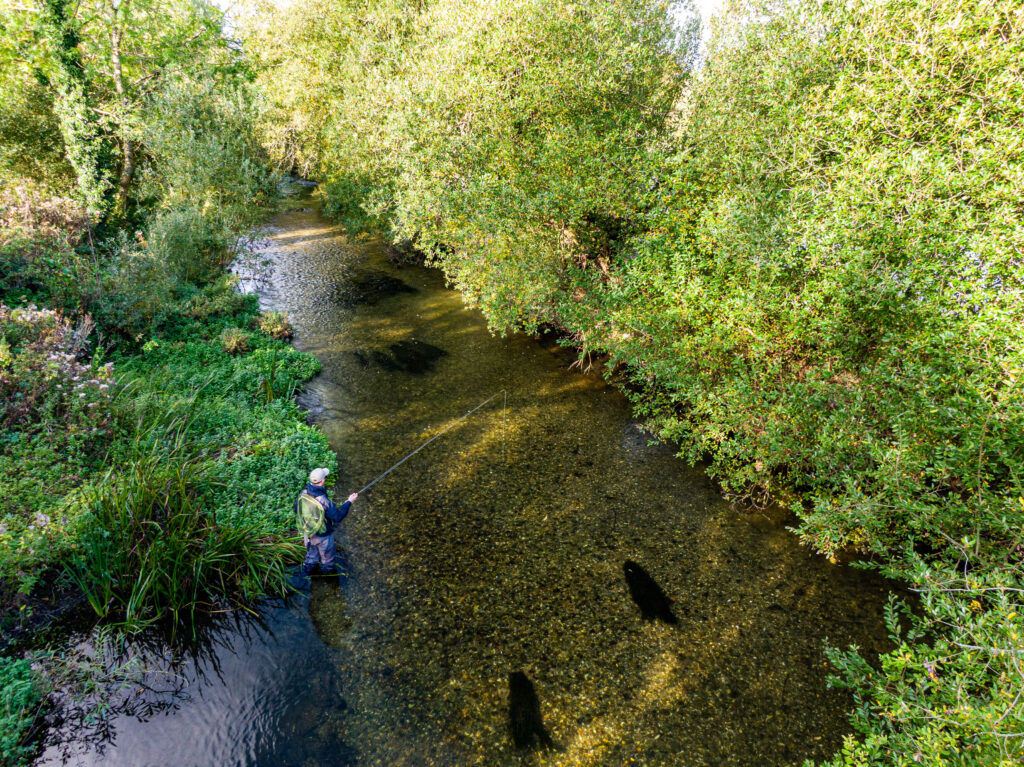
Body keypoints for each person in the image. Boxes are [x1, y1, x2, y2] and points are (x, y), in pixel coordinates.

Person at [295, 467, 358, 576]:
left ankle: (306, 576)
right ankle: (329, 581)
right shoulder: (324, 501)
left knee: (311, 558)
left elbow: (296, 509)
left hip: (308, 534)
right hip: (323, 537)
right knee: (328, 561)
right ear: (323, 480)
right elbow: (338, 517)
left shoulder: (303, 493)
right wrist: (349, 502)